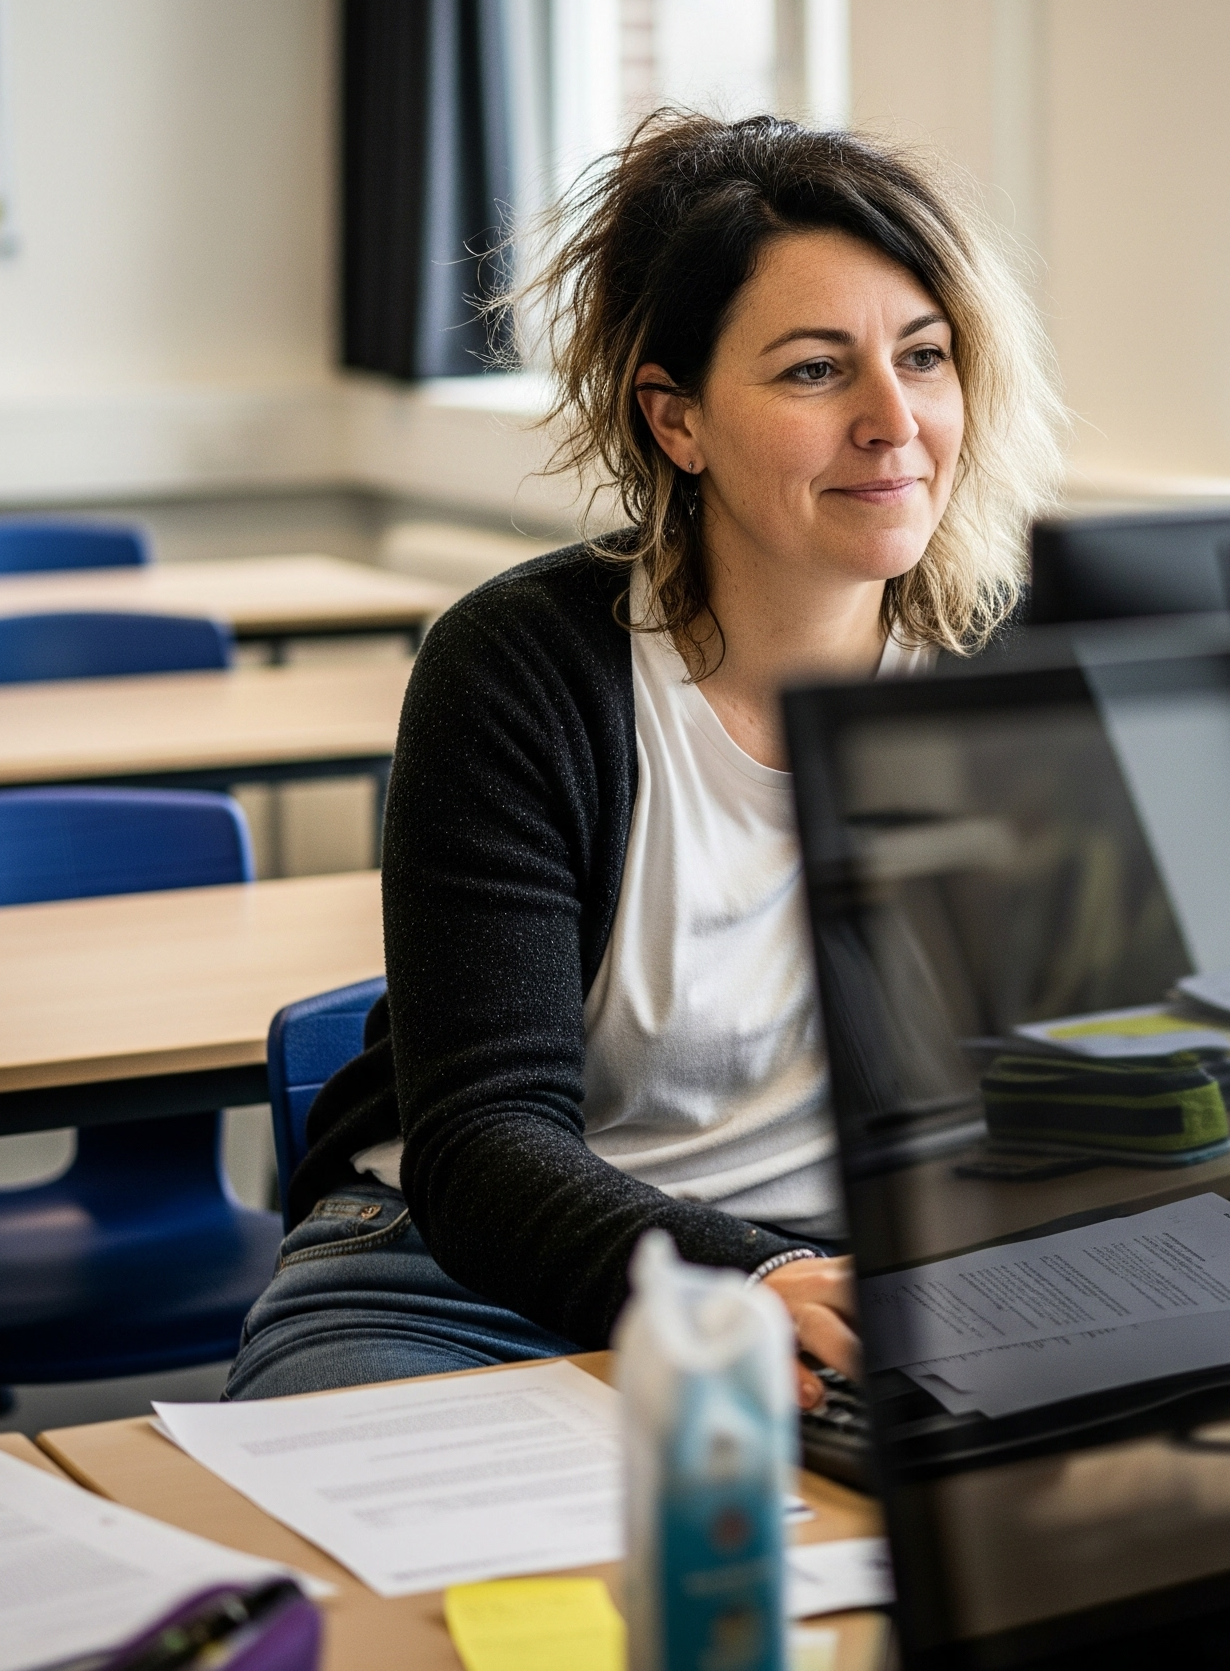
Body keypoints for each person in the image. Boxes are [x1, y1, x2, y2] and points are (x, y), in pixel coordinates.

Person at [225, 113, 1066, 1404]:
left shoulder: (1010, 664)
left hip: (866, 1284)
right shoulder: (523, 667)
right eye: (814, 372)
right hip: (472, 1278)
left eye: (925, 356)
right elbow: (483, 1136)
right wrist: (750, 1276)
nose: (895, 422)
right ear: (677, 422)